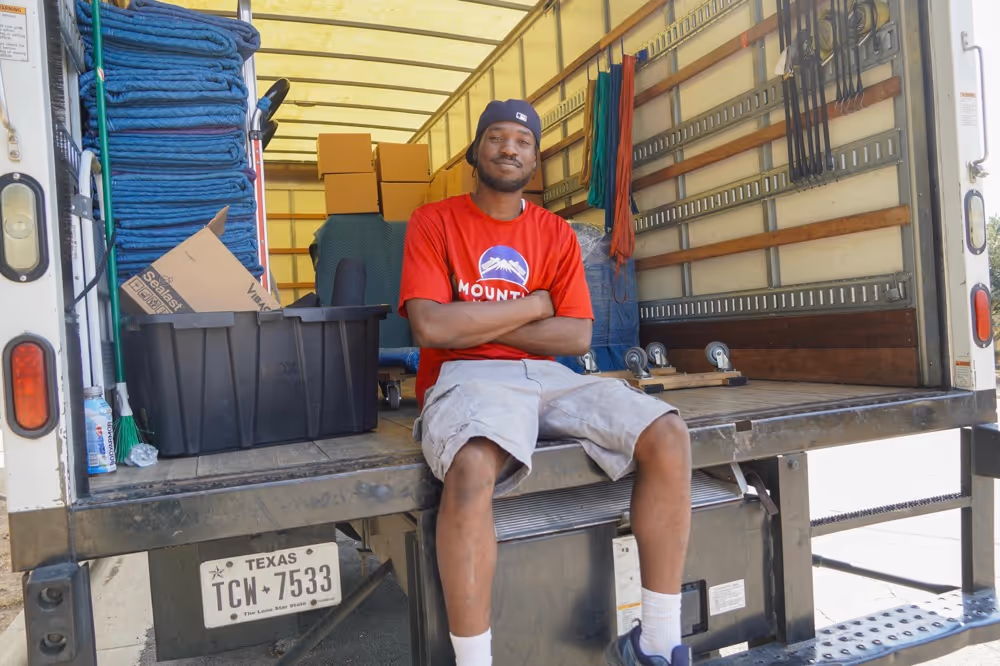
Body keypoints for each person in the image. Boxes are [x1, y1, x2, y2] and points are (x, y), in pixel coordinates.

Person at [398, 99, 692, 666]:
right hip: (468, 377)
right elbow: (431, 325)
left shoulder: (555, 233)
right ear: (475, 151)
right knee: (472, 462)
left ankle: (656, 643)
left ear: (534, 160)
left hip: (553, 377)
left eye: (523, 141)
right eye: (497, 138)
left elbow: (578, 336)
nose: (510, 148)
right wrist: (534, 305)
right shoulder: (434, 221)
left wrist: (474, 320)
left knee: (668, 434)